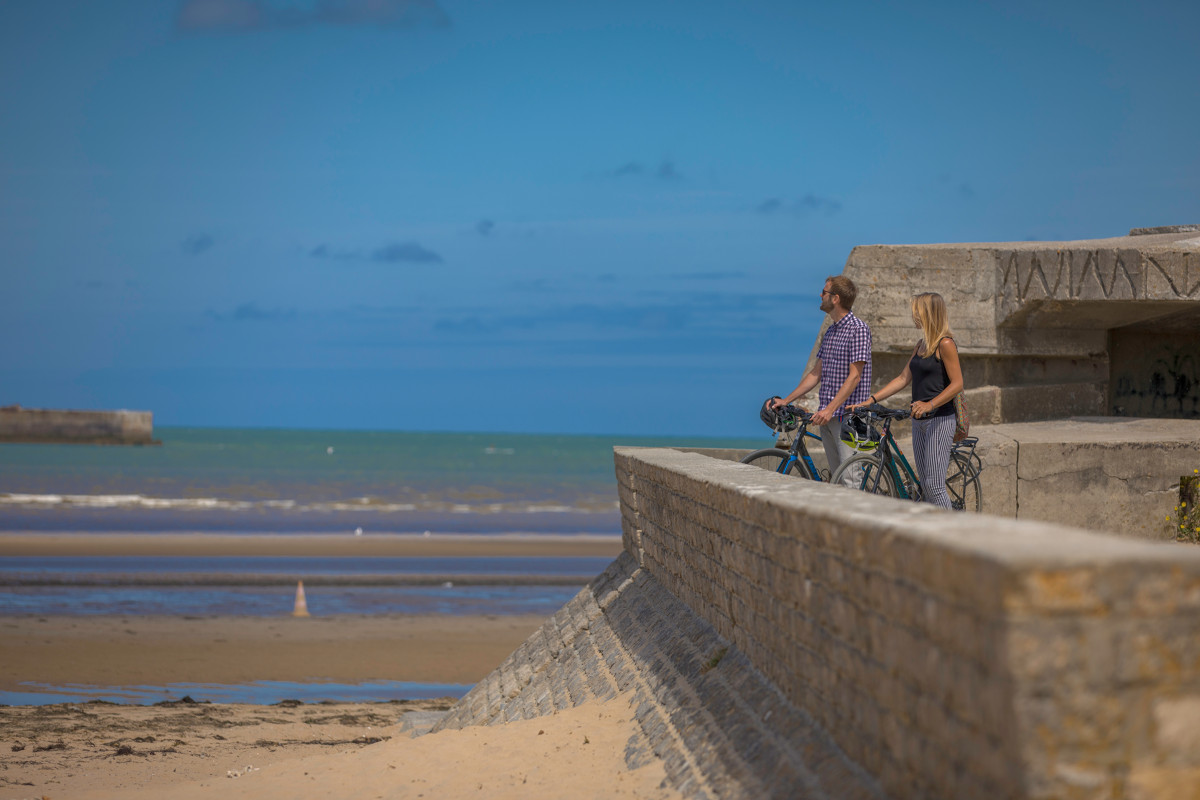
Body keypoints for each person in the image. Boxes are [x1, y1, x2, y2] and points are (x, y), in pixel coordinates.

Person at [850, 292, 963, 508]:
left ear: (929, 313)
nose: (914, 316)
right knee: (924, 486)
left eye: (917, 311)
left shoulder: (945, 344)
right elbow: (902, 379)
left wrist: (929, 404)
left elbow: (957, 384)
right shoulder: (921, 345)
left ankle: (950, 536)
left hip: (939, 419)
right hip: (918, 421)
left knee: (935, 486)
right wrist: (871, 400)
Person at [771, 275, 872, 482]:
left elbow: (855, 377)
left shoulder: (858, 329)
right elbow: (816, 374)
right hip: (828, 415)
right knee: (837, 480)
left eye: (824, 292)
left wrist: (830, 408)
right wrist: (787, 400)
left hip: (848, 418)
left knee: (851, 480)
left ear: (835, 298)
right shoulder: (831, 331)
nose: (820, 295)